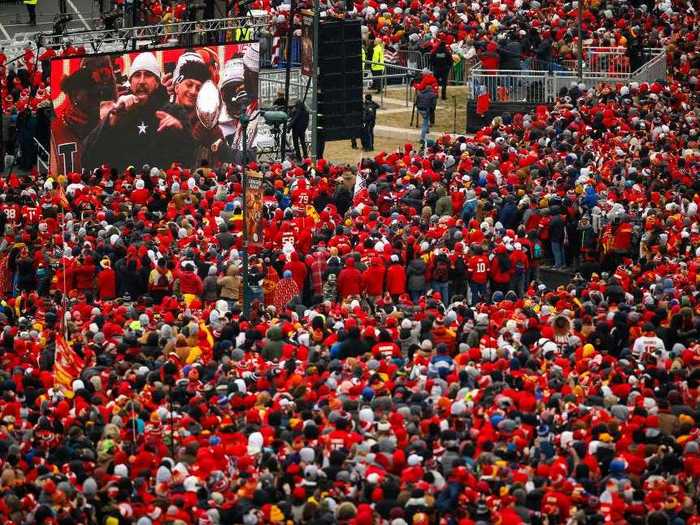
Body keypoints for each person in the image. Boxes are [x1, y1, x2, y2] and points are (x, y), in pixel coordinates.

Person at [82, 52, 193, 170]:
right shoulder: (119, 112)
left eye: (148, 75)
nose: (141, 81)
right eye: (137, 75)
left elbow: (191, 158)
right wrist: (111, 122)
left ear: (157, 82)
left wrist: (179, 130)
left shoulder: (174, 112)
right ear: (130, 82)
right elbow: (87, 159)